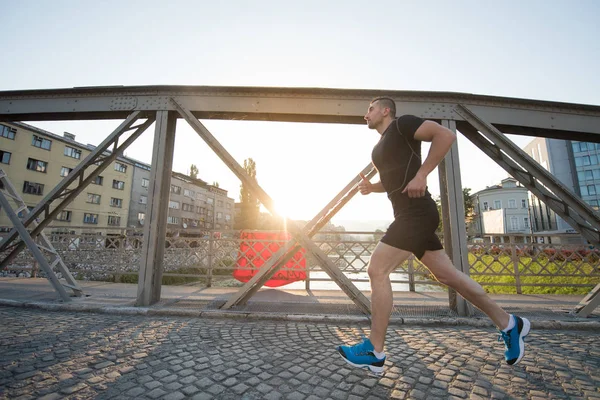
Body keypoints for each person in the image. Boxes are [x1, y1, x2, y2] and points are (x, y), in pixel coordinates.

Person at [337, 97, 530, 374]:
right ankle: (511, 324)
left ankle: (374, 350)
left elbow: (445, 135)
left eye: (369, 108)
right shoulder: (381, 144)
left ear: (385, 110)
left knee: (377, 270)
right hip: (410, 216)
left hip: (416, 214)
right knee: (449, 277)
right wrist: (373, 188)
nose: (365, 114)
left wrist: (423, 174)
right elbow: (395, 181)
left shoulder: (403, 124)